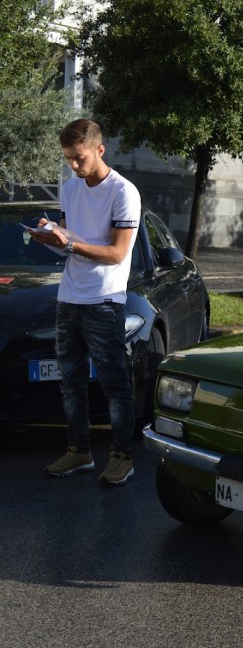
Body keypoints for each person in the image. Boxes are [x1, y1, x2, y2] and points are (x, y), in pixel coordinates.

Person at [28, 119, 141, 485]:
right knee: (70, 382)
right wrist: (53, 236)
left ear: (99, 149)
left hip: (104, 301)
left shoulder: (124, 192)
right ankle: (79, 452)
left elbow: (116, 253)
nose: (73, 167)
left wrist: (70, 244)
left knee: (114, 383)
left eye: (79, 159)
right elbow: (71, 243)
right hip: (69, 297)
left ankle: (122, 457)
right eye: (68, 160)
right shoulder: (71, 188)